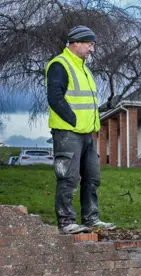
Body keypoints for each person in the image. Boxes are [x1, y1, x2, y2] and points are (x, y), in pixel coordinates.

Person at [45, 25, 115, 234]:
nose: (92, 49)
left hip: (87, 134)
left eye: (92, 44)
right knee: (68, 177)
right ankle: (66, 222)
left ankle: (91, 219)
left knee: (92, 177)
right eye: (89, 44)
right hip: (68, 133)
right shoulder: (60, 64)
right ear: (75, 43)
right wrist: (74, 121)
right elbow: (55, 98)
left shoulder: (84, 68)